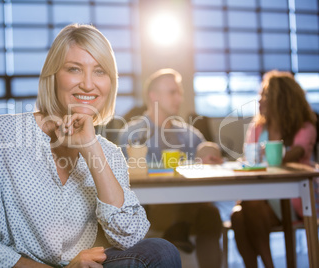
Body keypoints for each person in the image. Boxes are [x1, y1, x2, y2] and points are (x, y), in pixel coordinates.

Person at [0, 24, 181, 268]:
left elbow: (129, 235)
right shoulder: (2, 134)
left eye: (100, 72)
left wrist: (91, 148)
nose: (89, 85)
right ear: (53, 76)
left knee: (161, 252)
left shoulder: (109, 154)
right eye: (74, 69)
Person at [118, 68, 223, 268]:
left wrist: (210, 158)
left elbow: (207, 160)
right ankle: (176, 229)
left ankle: (181, 228)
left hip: (193, 209)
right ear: (153, 96)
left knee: (211, 215)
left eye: (180, 92)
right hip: (152, 210)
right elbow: (129, 180)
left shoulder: (190, 134)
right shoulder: (132, 133)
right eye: (172, 92)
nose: (179, 97)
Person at [231, 70, 317, 268]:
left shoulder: (304, 127)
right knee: (238, 215)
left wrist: (265, 154)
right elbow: (249, 159)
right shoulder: (258, 128)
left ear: (283, 99)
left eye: (265, 96)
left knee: (249, 206)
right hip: (261, 200)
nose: (260, 101)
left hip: (294, 200)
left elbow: (295, 153)